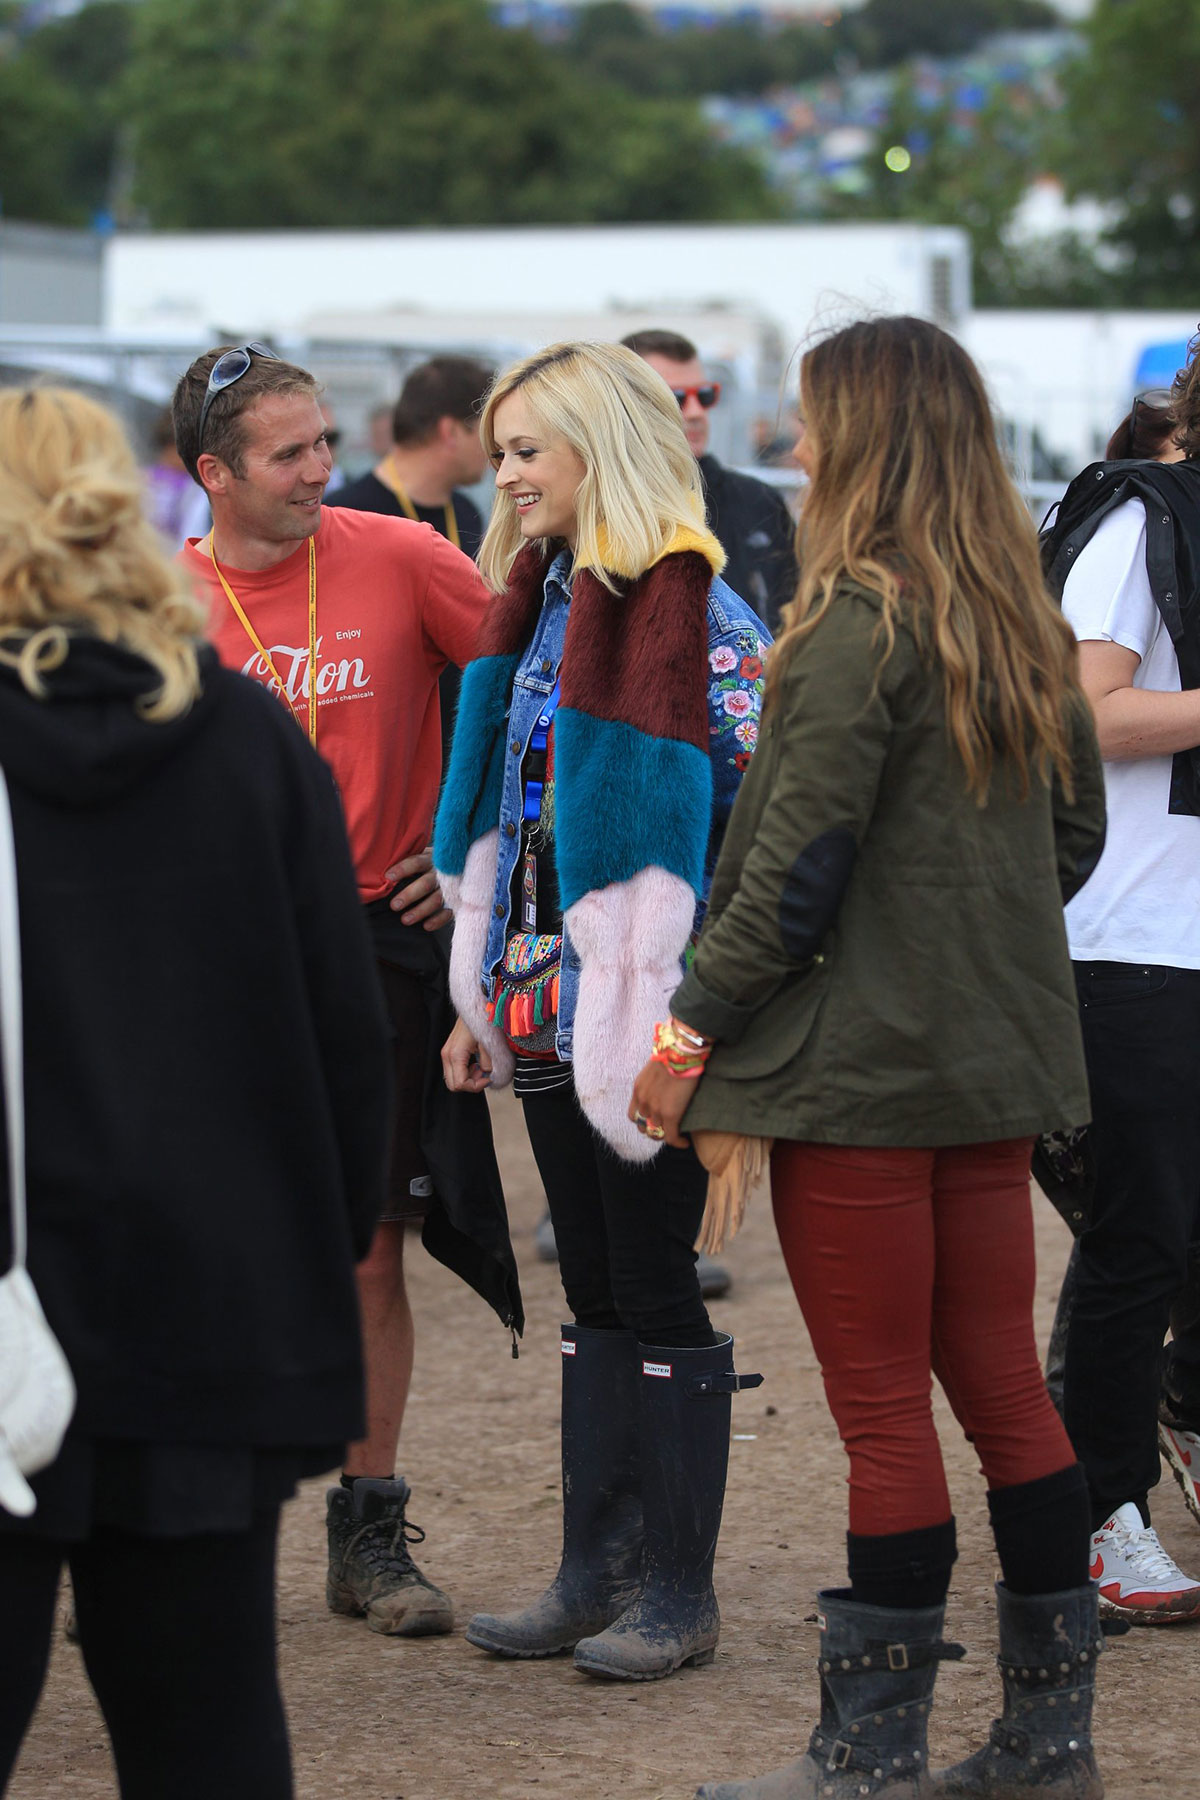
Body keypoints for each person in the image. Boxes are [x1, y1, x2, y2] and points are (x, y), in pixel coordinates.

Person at [630, 316, 1109, 1798]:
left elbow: (793, 862)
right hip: (990, 1063)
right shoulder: (1017, 615)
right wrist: (960, 930)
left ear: (869, 434)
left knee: (887, 1411)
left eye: (814, 415)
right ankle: (1047, 1745)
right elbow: (1072, 841)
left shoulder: (852, 622)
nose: (794, 438)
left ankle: (868, 1763)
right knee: (1005, 1395)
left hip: (863, 1078)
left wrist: (688, 1025)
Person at [0, 386, 391, 1799]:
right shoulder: (242, 737)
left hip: (12, 1290)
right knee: (209, 1729)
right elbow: (345, 1034)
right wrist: (318, 1233)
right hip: (208, 1299)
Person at [171, 343, 522, 1640]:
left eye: (327, 441)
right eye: (288, 454)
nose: (322, 470)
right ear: (211, 473)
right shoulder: (164, 603)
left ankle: (368, 1530)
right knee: (201, 1253)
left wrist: (468, 839)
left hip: (379, 945)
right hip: (218, 969)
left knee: (373, 1250)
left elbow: (524, 693)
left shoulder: (399, 552)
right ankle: (160, 1528)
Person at [436, 340, 769, 1683]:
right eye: (501, 448)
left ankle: (674, 1595)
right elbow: (522, 820)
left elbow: (755, 839)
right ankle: (597, 1570)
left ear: (602, 448)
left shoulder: (709, 627)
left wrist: (704, 1034)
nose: (504, 472)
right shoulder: (547, 605)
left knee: (652, 1285)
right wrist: (484, 998)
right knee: (595, 1284)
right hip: (543, 1004)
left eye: (528, 450)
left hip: (654, 1024)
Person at [1041, 348, 1200, 1622]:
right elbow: (1088, 715)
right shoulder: (1138, 518)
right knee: (1136, 1242)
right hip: (1130, 937)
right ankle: (1097, 1515)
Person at [327, 354, 494, 763]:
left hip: (457, 749)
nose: (496, 449)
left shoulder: (466, 510)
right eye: (486, 431)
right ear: (451, 430)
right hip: (383, 756)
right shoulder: (343, 514)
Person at [621, 327, 798, 633]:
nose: (696, 412)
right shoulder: (597, 508)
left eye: (704, 395)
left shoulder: (759, 502)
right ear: (622, 408)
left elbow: (795, 620)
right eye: (674, 398)